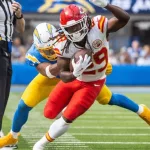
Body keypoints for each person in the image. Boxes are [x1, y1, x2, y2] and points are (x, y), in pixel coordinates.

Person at [0, 23, 150, 149]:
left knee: (108, 98)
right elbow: (49, 72)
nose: (53, 51)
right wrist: (65, 64)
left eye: (53, 47)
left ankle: (141, 110)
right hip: (54, 77)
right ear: (38, 48)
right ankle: (13, 137)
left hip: (79, 77)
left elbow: (92, 46)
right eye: (48, 51)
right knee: (24, 104)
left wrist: (99, 64)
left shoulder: (69, 38)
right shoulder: (33, 54)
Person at [33, 2, 150, 150]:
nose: (75, 31)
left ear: (85, 20)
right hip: (75, 78)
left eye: (77, 25)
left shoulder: (98, 27)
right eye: (70, 28)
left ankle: (40, 144)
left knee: (67, 118)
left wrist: (106, 5)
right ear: (64, 29)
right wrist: (74, 73)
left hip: (93, 82)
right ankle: (69, 106)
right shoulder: (62, 42)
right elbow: (62, 74)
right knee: (48, 112)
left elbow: (125, 18)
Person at [0, 0, 25, 138]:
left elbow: (21, 29)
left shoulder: (12, 3)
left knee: (4, 93)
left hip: (6, 49)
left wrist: (19, 15)